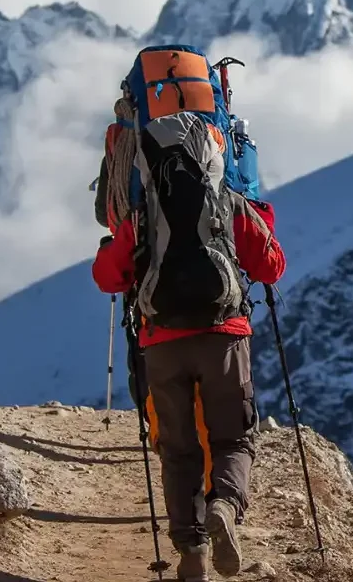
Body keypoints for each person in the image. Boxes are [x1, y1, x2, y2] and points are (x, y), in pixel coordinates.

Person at [92, 188, 286, 581]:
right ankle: (225, 507)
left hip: (162, 344)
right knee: (232, 438)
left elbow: (108, 277)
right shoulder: (228, 200)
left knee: (178, 450)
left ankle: (192, 555)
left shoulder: (144, 210)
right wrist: (260, 219)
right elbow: (270, 266)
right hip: (224, 338)